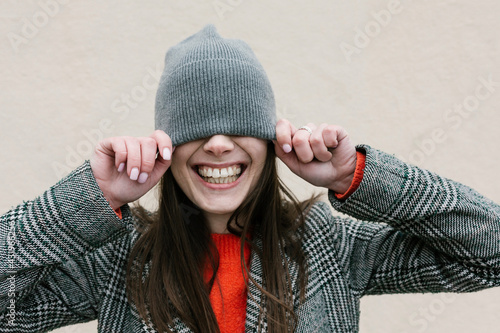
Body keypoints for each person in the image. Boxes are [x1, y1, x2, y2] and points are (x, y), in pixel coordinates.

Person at [1, 24, 499, 333]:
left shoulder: (332, 248)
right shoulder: (118, 261)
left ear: (269, 141)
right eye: (196, 127)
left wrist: (356, 176)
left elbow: (489, 252)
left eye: (239, 126)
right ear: (166, 149)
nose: (218, 144)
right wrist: (90, 198)